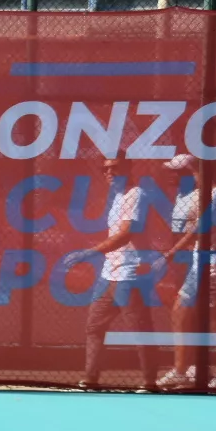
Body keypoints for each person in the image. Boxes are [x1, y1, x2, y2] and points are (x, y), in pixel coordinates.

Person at [80, 154, 159, 392]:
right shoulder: (117, 197)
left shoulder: (136, 195)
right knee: (94, 327)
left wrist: (91, 252)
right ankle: (90, 379)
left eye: (114, 168)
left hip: (130, 276)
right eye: (105, 169)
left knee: (140, 331)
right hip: (108, 276)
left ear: (128, 167)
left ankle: (149, 383)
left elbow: (126, 234)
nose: (109, 173)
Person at [157, 154, 216, 390]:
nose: (173, 175)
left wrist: (174, 249)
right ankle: (186, 370)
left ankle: (190, 372)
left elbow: (200, 227)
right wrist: (175, 250)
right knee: (188, 314)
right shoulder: (203, 195)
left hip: (211, 264)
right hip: (201, 261)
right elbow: (198, 228)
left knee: (215, 319)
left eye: (179, 171)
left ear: (193, 171)